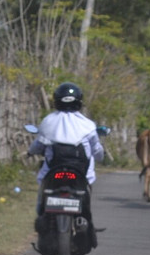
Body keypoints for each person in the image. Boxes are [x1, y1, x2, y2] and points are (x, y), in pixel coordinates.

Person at [27, 81, 105, 246]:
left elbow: (37, 146)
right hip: (80, 174)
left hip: (52, 173)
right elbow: (97, 150)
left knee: (42, 196)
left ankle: (43, 218)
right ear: (79, 101)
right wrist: (99, 157)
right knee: (86, 197)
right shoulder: (88, 125)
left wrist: (30, 152)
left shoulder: (48, 122)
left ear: (56, 100)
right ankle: (86, 222)